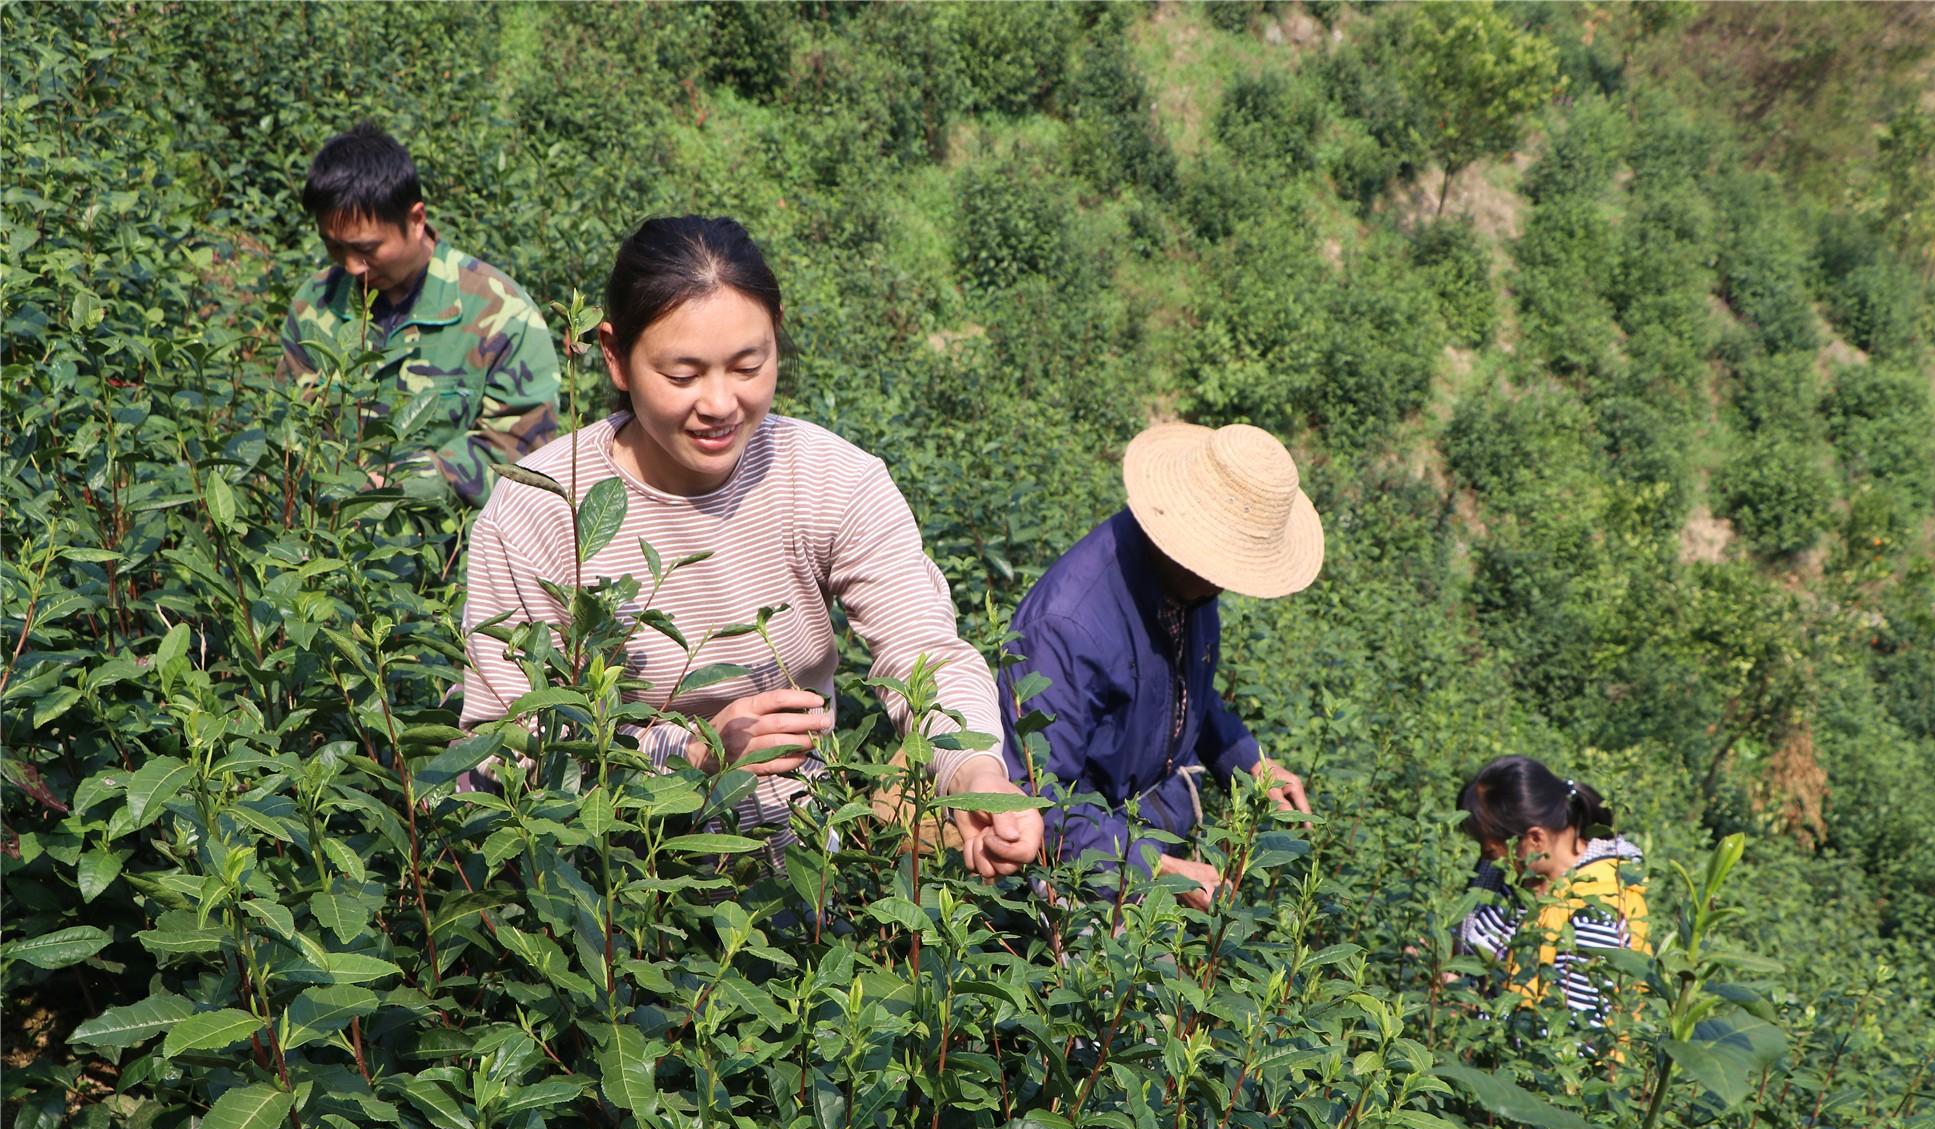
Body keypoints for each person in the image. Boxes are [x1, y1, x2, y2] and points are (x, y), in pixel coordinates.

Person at [458, 215, 1043, 878]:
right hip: (604, 876)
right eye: (682, 375)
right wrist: (696, 753)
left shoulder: (831, 480)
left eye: (747, 365)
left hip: (794, 861)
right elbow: (502, 737)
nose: (720, 404)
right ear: (615, 355)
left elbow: (925, 653)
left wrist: (974, 769)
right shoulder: (540, 506)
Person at [997, 421, 1321, 909]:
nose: (1228, 582)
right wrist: (1155, 866)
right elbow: (1037, 801)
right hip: (1074, 861)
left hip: (1138, 816)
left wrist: (1246, 759)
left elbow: (1183, 689)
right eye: (1228, 565)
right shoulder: (1067, 627)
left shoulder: (1188, 587)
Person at [280, 122, 561, 507]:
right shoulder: (314, 305)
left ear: (415, 220)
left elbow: (520, 451)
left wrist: (395, 485)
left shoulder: (502, 313)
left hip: (451, 553)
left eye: (366, 249)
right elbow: (290, 429)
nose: (352, 268)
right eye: (333, 247)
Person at [1454, 755, 1649, 1019]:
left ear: (1535, 839)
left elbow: (1580, 1040)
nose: (1484, 857)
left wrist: (1465, 1007)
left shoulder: (1595, 913)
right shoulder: (1504, 871)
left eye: (1489, 848)